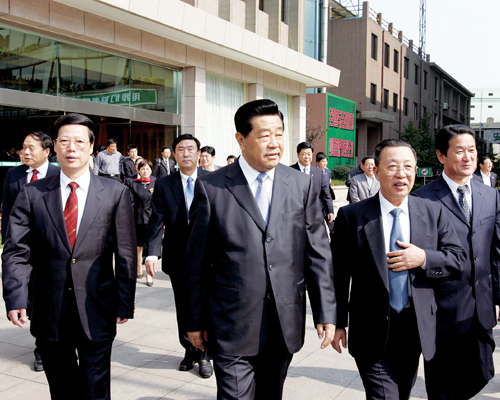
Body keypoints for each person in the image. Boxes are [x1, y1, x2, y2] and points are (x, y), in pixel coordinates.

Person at [183, 99, 336, 399]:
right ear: (241, 140)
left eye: (279, 134)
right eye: (264, 135)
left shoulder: (301, 185)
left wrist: (326, 311)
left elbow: (318, 254)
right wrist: (193, 320)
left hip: (283, 322)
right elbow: (195, 261)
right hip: (231, 324)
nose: (275, 143)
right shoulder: (212, 187)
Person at [2, 113, 137, 400]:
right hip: (49, 308)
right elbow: (16, 250)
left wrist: (125, 301)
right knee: (61, 389)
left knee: (95, 390)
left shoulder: (115, 193)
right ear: (54, 147)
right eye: (64, 141)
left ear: (91, 147)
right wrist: (15, 296)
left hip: (98, 308)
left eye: (79, 141)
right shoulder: (32, 193)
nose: (71, 148)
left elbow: (125, 253)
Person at [332, 139, 466, 400]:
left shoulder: (433, 212)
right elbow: (337, 273)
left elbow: (457, 258)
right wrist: (337, 322)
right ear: (376, 170)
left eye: (407, 166)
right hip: (369, 328)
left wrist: (423, 257)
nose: (401, 174)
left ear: (416, 170)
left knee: (402, 392)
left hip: (415, 327)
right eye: (392, 166)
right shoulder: (352, 216)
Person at [413, 125, 500, 399]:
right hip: (443, 310)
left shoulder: (490, 195)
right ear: (441, 156)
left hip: (481, 309)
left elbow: (496, 251)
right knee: (444, 387)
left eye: (471, 150)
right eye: (459, 150)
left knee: (482, 374)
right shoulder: (422, 199)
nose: (468, 157)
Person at [145, 134, 212, 378]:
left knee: (206, 304)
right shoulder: (164, 185)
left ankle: (205, 354)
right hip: (178, 256)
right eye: (180, 149)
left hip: (208, 257)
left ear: (199, 153)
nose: (186, 153)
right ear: (174, 154)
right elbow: (156, 220)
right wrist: (152, 253)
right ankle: (189, 349)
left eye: (190, 149)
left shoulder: (212, 180)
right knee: (183, 305)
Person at [1, 131, 60, 372]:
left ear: (46, 151)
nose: (25, 152)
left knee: (53, 299)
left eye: (30, 148)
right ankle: (42, 346)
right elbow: (7, 212)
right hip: (24, 250)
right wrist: (8, 243)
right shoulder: (14, 174)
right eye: (23, 147)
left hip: (52, 250)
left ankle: (48, 346)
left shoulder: (58, 174)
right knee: (31, 299)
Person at [290, 142, 334, 225]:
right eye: (304, 154)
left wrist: (330, 211)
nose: (307, 157)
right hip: (296, 215)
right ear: (298, 154)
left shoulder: (318, 172)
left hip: (315, 215)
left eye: (309, 154)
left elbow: (326, 193)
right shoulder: (290, 171)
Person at [128, 158, 155, 287]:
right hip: (137, 218)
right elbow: (130, 202)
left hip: (151, 219)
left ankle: (150, 274)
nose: (145, 171)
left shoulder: (155, 183)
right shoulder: (133, 184)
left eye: (147, 169)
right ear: (138, 170)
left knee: (150, 245)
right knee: (138, 245)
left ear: (151, 170)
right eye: (142, 169)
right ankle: (139, 266)